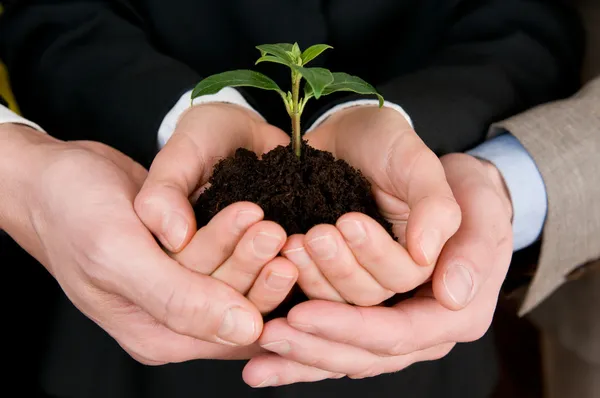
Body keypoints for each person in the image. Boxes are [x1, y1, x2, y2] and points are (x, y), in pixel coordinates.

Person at [0, 0, 584, 397]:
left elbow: (526, 22)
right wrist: (181, 119)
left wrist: (401, 133)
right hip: (109, 335)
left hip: (417, 357)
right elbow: (55, 18)